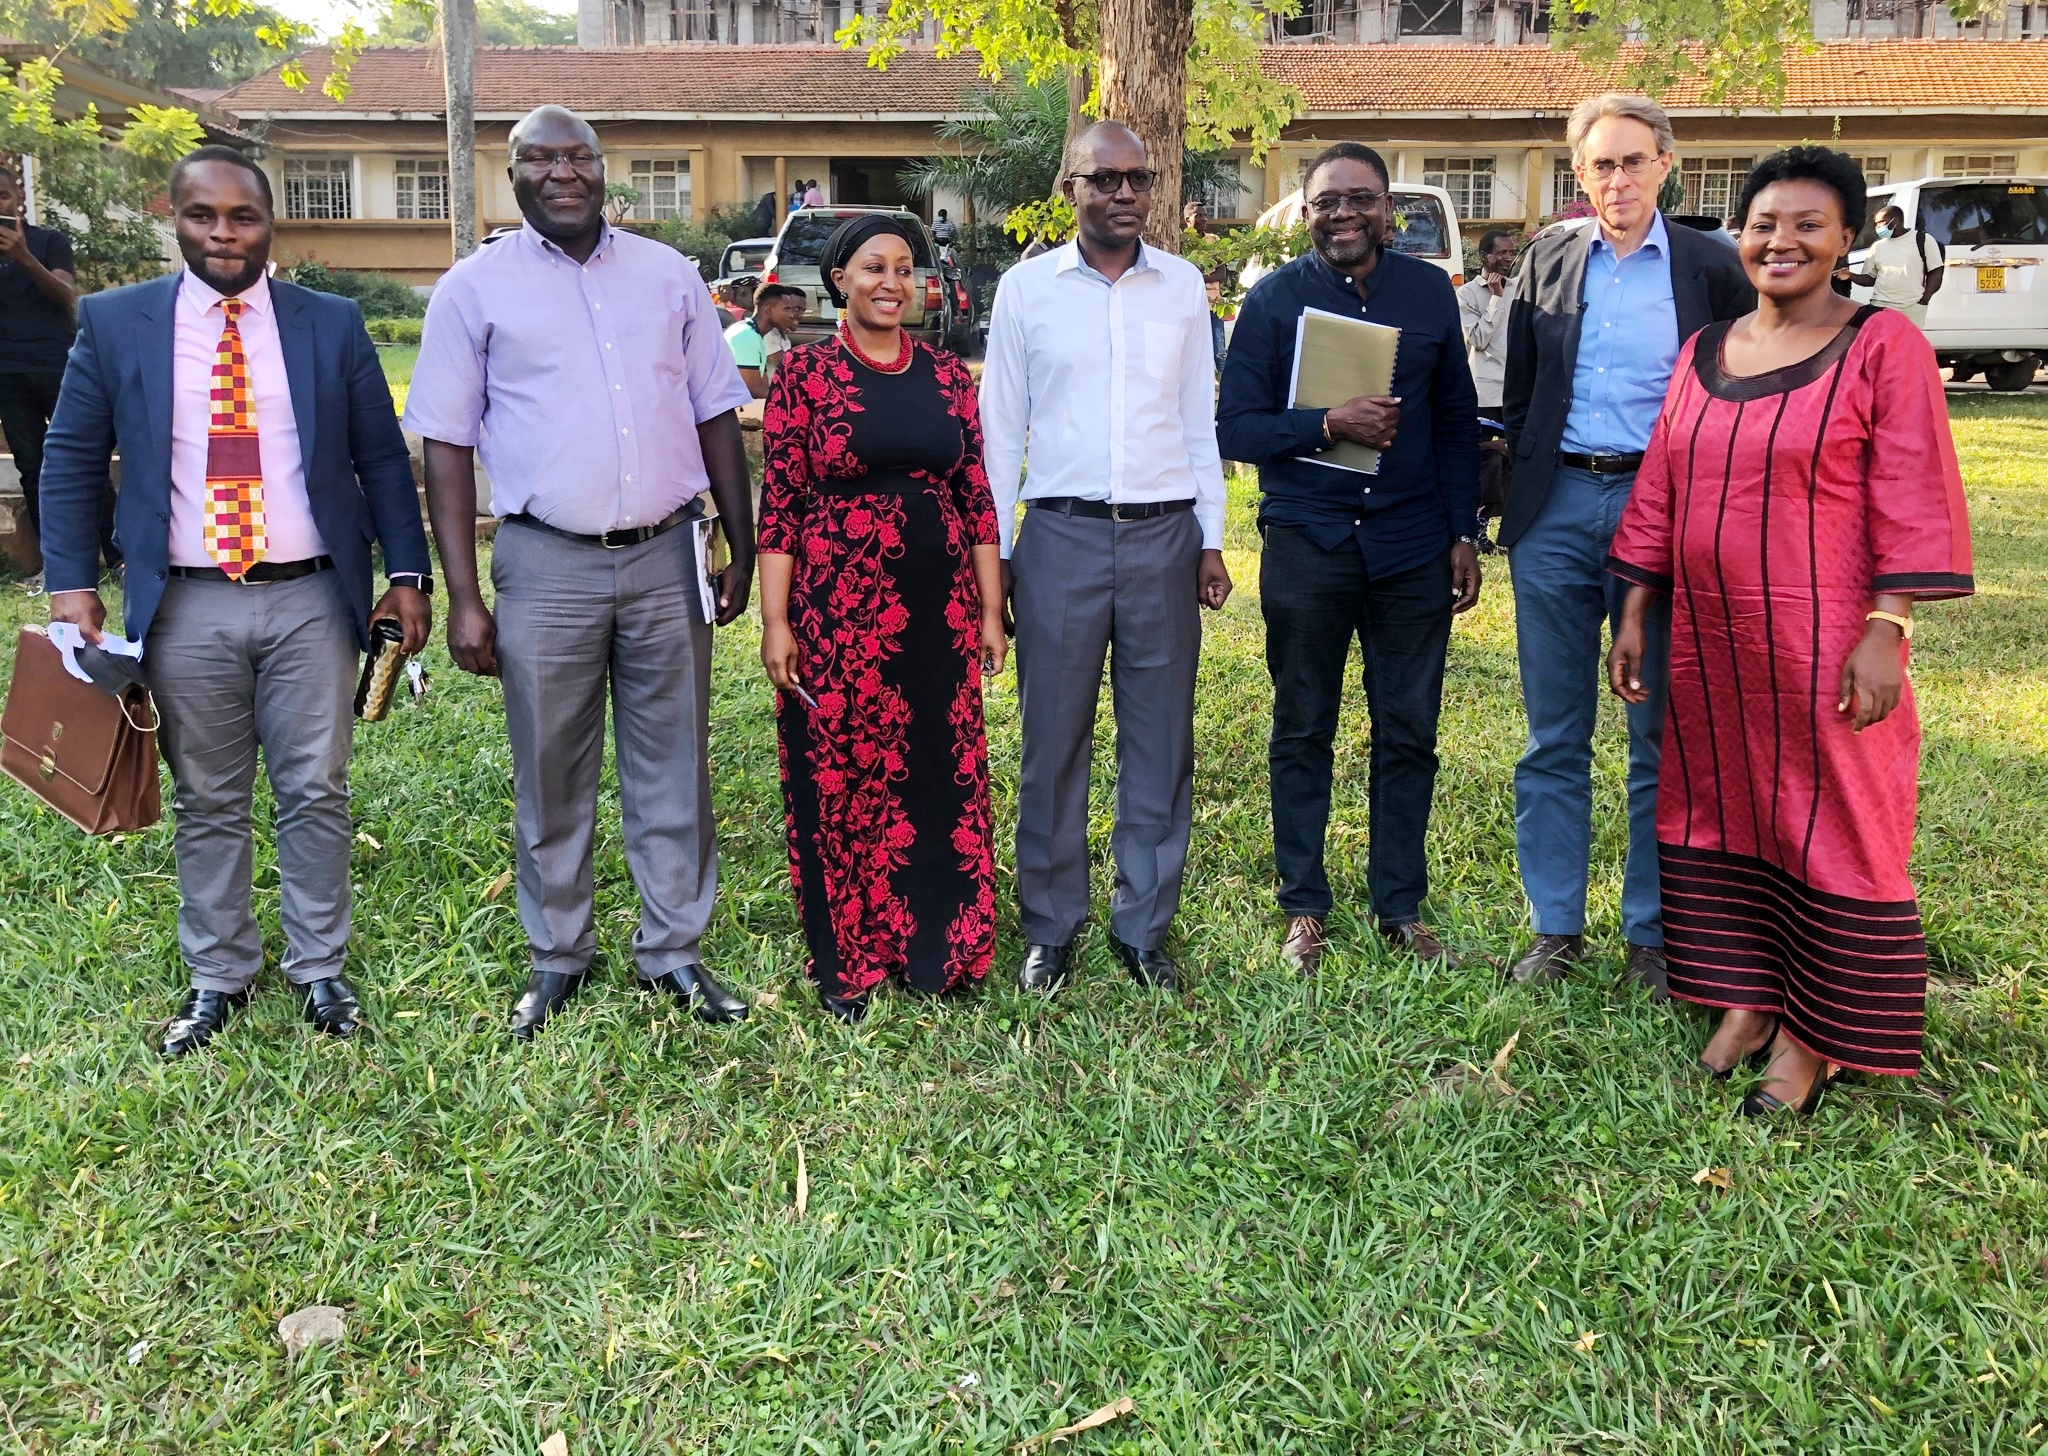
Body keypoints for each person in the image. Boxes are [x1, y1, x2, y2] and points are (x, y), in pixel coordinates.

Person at [39, 145, 432, 1057]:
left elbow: (381, 456)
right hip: (186, 604)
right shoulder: (116, 321)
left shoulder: (328, 324)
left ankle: (319, 968)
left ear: (270, 222)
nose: (224, 234)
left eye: (242, 217)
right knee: (208, 797)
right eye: (202, 217)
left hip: (309, 599)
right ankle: (219, 975)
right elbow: (67, 456)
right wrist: (70, 586)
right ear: (173, 219)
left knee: (315, 788)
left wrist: (407, 574)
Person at [1606, 146, 1973, 1116]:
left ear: (1846, 238)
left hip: (1823, 642)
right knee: (1721, 810)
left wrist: (1885, 624)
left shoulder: (1878, 346)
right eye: (1763, 222)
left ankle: (1814, 1037)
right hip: (1712, 646)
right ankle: (1746, 997)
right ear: (1736, 236)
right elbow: (1661, 485)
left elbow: (1909, 486)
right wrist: (1637, 607)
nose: (1781, 241)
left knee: (1833, 823)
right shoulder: (1705, 351)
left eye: (1807, 224)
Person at [405, 106, 758, 1040]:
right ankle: (558, 954)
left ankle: (673, 950)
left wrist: (741, 538)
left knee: (674, 762)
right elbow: (445, 445)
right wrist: (465, 595)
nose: (564, 174)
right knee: (551, 769)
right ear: (510, 174)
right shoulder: (471, 291)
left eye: (580, 158)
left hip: (666, 554)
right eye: (541, 159)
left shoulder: (668, 275)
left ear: (607, 171)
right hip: (545, 562)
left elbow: (718, 408)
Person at [1499, 93, 1754, 995]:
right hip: (1560, 506)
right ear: (1580, 174)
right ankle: (1556, 929)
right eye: (1601, 164)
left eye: (1634, 160)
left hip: (1670, 513)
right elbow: (1522, 395)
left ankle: (1654, 933)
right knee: (1553, 733)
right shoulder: (1548, 260)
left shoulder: (1710, 268)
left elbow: (1737, 388)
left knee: (1661, 732)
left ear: (1666, 165)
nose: (1618, 179)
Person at [1217, 141, 1481, 976]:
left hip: (1410, 545)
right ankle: (1303, 906)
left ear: (1387, 210)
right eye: (1327, 201)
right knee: (1303, 727)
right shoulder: (1272, 302)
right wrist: (1327, 423)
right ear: (1306, 210)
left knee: (1409, 729)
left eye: (1359, 199)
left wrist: (1462, 530)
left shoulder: (1428, 292)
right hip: (1309, 541)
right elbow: (1235, 429)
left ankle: (1398, 904)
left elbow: (1454, 421)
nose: (1343, 215)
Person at [981, 120, 1231, 995]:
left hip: (1166, 536)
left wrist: (1211, 536)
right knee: (1053, 738)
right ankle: (1051, 925)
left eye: (1138, 178)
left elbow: (1200, 422)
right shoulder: (1025, 291)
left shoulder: (1184, 286)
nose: (1124, 193)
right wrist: (1000, 560)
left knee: (1160, 738)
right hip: (1059, 536)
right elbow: (999, 431)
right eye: (1104, 179)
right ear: (1070, 189)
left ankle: (1143, 926)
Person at [757, 216, 1004, 1022]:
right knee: (845, 769)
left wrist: (992, 611)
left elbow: (975, 494)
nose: (893, 282)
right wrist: (776, 622)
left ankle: (943, 944)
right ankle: (852, 957)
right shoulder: (803, 373)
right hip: (837, 609)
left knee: (939, 765)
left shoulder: (946, 376)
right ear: (839, 280)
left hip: (940, 610)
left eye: (907, 268)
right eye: (874, 267)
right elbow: (781, 503)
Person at [0, 165, 117, 586]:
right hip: (8, 374)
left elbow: (66, 295)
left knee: (88, 461)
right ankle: (58, 567)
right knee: (32, 469)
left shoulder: (49, 242)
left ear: (18, 200)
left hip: (58, 366)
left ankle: (117, 556)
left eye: (3, 196)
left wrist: (23, 257)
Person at [1457, 228, 1516, 549]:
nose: (1507, 258)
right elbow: (1478, 339)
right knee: (1484, 462)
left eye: (1511, 253)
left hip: (1515, 392)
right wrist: (1495, 298)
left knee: (1513, 462)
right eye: (1501, 253)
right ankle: (1475, 527)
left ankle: (1506, 530)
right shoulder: (1467, 294)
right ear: (1484, 257)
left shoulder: (1521, 288)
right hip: (1483, 393)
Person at [1842, 203, 1944, 328]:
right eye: (1876, 224)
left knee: (1907, 345)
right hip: (1881, 306)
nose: (1878, 227)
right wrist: (1850, 275)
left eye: (1881, 222)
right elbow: (1870, 279)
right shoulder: (1878, 247)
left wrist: (1924, 300)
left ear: (1894, 220)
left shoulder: (1923, 240)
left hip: (1911, 307)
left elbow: (1936, 271)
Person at [725, 282, 804, 398]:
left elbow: (763, 386)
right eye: (786, 309)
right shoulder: (746, 335)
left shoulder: (756, 335)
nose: (791, 315)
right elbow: (753, 389)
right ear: (768, 309)